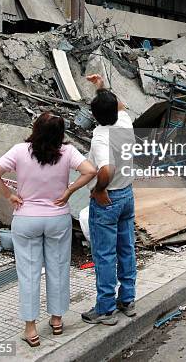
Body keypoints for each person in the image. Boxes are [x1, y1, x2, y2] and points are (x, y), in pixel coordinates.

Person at [0, 112, 96, 347]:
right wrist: (69, 191)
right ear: (60, 133)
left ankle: (31, 329)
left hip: (26, 219)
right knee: (58, 267)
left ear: (35, 129)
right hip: (57, 219)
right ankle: (56, 321)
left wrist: (10, 196)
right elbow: (90, 171)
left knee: (29, 273)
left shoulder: (19, 151)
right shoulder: (67, 152)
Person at [81, 74, 136, 326]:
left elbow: (106, 169)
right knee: (126, 248)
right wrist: (102, 87)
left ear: (94, 116)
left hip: (109, 200)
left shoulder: (101, 136)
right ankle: (127, 299)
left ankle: (105, 308)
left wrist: (99, 189)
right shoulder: (125, 122)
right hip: (127, 196)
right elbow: (121, 106)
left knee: (104, 255)